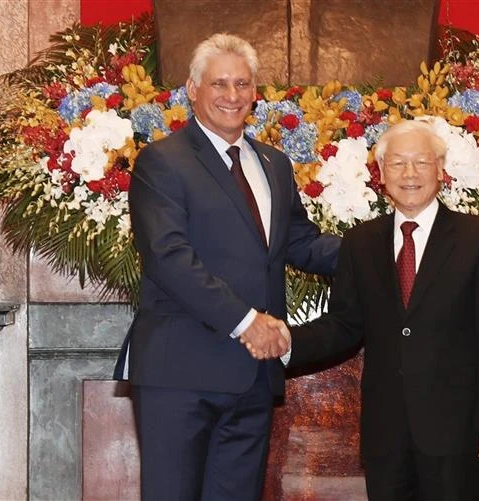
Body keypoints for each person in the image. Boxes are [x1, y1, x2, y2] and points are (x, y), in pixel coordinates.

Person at [115, 33, 340, 500]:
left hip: (253, 379)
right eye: (219, 83)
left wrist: (387, 249)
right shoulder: (162, 162)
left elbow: (301, 242)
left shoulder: (275, 164)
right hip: (180, 375)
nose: (232, 96)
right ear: (192, 89)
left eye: (242, 84)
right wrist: (247, 323)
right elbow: (170, 258)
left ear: (255, 93)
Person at [259, 120, 479, 500]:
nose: (409, 173)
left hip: (457, 434)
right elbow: (345, 324)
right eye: (397, 163)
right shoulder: (361, 242)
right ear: (380, 173)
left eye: (421, 162)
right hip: (387, 436)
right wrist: (286, 341)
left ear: (440, 169)